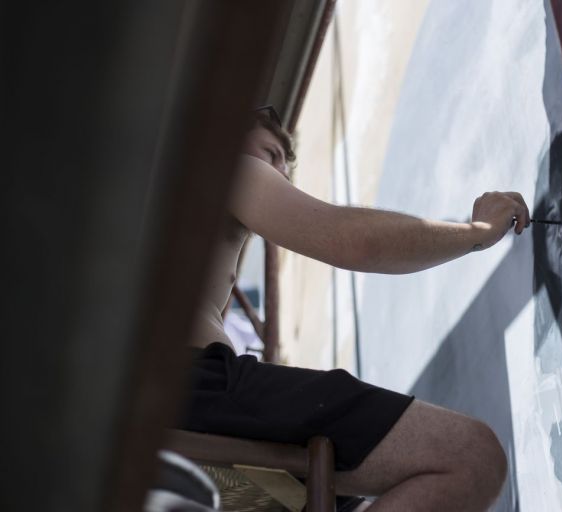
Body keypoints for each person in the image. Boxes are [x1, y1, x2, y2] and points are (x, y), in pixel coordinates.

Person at [180, 107, 530, 512]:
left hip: (162, 416)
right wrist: (478, 232)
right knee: (468, 456)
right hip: (193, 387)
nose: (280, 173)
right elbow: (352, 240)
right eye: (271, 153)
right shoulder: (228, 169)